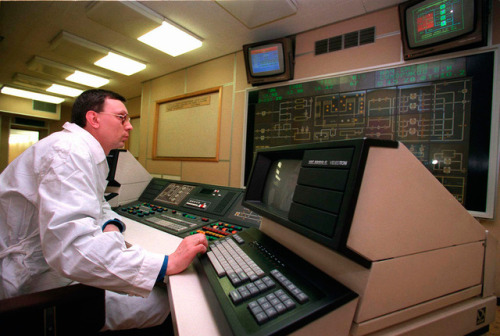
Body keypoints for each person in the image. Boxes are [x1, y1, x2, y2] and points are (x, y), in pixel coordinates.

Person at [0, 89, 208, 331]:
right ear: (94, 118)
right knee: (165, 302)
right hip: (35, 282)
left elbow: (97, 201)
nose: (129, 126)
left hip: (51, 266)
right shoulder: (69, 153)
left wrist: (110, 225)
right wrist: (165, 264)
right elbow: (74, 249)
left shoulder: (84, 151)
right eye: (122, 117)